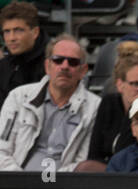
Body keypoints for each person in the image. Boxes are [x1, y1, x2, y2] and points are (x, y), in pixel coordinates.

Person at [0, 34, 99, 171]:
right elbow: (2, 150)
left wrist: (51, 185)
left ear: (83, 71)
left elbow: (81, 161)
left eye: (73, 62)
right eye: (58, 60)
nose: (65, 66)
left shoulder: (94, 107)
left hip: (65, 187)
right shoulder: (18, 97)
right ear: (47, 66)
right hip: (17, 183)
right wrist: (21, 182)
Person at [84, 44, 138, 168]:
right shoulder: (109, 103)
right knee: (87, 167)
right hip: (112, 171)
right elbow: (94, 154)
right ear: (120, 85)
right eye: (136, 84)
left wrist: (135, 110)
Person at [0, 2, 45, 108]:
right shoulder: (3, 66)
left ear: (35, 32)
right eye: (7, 31)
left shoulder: (54, 65)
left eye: (18, 30)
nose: (11, 38)